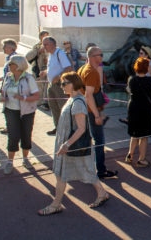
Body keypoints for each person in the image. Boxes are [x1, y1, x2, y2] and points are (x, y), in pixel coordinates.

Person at [37, 72, 109, 216]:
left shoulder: (77, 103)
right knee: (85, 171)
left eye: (64, 83)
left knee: (62, 175)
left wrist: (66, 145)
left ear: (73, 84)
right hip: (69, 144)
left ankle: (56, 204)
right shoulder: (73, 99)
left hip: (71, 145)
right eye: (61, 83)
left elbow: (81, 128)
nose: (61, 86)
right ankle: (102, 193)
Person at [77, 47, 118, 179]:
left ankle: (89, 167)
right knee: (99, 141)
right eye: (100, 55)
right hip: (91, 110)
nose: (102, 57)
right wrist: (96, 115)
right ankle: (100, 170)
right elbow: (89, 95)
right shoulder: (91, 72)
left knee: (89, 139)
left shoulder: (82, 69)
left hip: (85, 109)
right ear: (94, 56)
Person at [0, 55, 39, 174]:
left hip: (27, 111)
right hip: (10, 110)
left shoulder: (28, 78)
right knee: (13, 135)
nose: (9, 65)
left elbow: (36, 96)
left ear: (18, 66)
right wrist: (3, 97)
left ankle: (25, 159)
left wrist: (23, 98)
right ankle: (9, 162)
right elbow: (3, 90)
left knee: (26, 134)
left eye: (11, 64)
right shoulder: (8, 76)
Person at [124, 57, 151, 167]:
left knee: (134, 134)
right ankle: (141, 159)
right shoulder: (150, 81)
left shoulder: (131, 80)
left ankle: (130, 155)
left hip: (133, 109)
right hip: (146, 109)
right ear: (147, 68)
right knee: (144, 136)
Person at [40, 36, 73, 136]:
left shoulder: (60, 53)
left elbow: (68, 68)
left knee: (62, 107)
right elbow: (54, 67)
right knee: (53, 107)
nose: (44, 46)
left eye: (46, 44)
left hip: (59, 85)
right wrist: (46, 72)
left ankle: (67, 129)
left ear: (53, 44)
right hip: (51, 84)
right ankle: (58, 127)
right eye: (43, 44)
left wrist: (58, 77)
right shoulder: (51, 55)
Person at [0, 38, 18, 135]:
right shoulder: (8, 58)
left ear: (10, 48)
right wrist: (2, 78)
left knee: (10, 109)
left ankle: (12, 127)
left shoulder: (14, 58)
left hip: (11, 88)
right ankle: (10, 126)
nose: (3, 48)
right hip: (7, 86)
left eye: (4, 46)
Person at [26, 30, 49, 110]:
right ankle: (39, 102)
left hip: (47, 69)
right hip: (38, 68)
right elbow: (29, 56)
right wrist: (38, 52)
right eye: (44, 36)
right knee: (40, 86)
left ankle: (45, 102)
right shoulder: (37, 46)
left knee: (46, 85)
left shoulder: (50, 45)